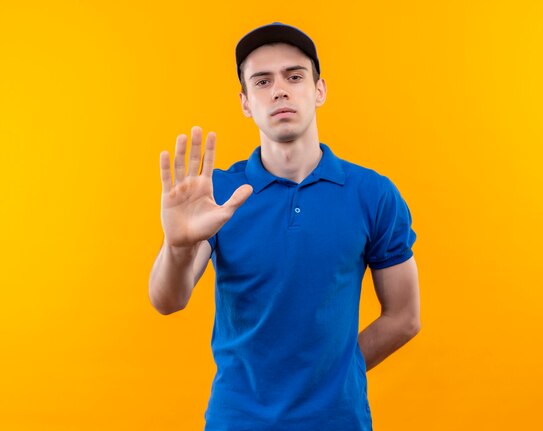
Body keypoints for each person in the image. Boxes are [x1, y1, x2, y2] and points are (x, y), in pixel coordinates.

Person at [149, 22, 421, 431]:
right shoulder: (219, 192)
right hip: (236, 420)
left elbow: (405, 317)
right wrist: (177, 246)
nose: (280, 90)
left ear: (319, 90)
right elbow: (168, 300)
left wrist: (336, 375)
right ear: (245, 102)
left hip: (338, 421)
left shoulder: (373, 193)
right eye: (262, 81)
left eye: (294, 76)